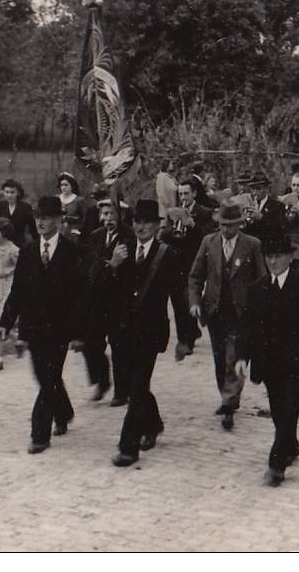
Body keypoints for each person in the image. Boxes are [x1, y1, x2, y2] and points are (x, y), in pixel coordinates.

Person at [0, 197, 96, 454]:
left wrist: (79, 333)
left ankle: (39, 434)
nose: (40, 222)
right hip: (33, 327)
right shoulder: (28, 251)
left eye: (47, 217)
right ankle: (63, 411)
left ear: (59, 220)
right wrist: (6, 322)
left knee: (49, 375)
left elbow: (81, 297)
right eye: (38, 217)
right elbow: (17, 290)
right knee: (44, 376)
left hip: (60, 328)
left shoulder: (73, 251)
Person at [236, 235, 299, 487]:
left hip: (296, 361)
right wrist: (241, 357)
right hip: (267, 363)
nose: (273, 261)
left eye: (278, 256)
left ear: (290, 257)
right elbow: (247, 326)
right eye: (269, 257)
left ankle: (276, 465)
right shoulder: (257, 288)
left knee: (290, 407)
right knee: (279, 410)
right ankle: (289, 445)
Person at [110, 200, 185, 467]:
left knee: (139, 385)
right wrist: (113, 265)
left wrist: (186, 337)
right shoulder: (122, 249)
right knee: (132, 386)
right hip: (122, 330)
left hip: (150, 331)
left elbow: (179, 297)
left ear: (156, 225)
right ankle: (153, 423)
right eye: (136, 222)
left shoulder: (168, 254)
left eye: (146, 222)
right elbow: (105, 287)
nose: (140, 227)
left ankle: (128, 447)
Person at [188, 202, 268, 430]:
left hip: (241, 313)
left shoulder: (252, 244)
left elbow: (262, 279)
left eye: (231, 226)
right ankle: (226, 394)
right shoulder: (208, 242)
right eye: (222, 225)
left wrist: (259, 308)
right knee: (220, 358)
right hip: (214, 311)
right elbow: (195, 276)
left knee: (234, 356)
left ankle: (229, 404)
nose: (226, 230)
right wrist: (194, 302)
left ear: (240, 224)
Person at [85, 198, 136, 405]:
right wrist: (111, 264)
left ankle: (121, 391)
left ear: (121, 216)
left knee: (119, 345)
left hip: (119, 301)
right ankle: (101, 380)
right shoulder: (96, 237)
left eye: (112, 214)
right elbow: (91, 268)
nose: (107, 219)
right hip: (98, 299)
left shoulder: (130, 237)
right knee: (91, 342)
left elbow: (129, 270)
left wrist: (110, 267)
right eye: (104, 215)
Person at [160, 180, 211, 360]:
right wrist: (173, 227)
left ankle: (187, 340)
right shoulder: (174, 212)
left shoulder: (204, 212)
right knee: (176, 300)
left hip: (194, 262)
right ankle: (186, 336)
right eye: (180, 194)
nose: (183, 197)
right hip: (176, 263)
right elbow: (163, 235)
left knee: (187, 298)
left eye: (186, 194)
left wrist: (193, 226)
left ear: (194, 194)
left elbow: (208, 238)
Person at [0, 217, 20, 373]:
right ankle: (16, 340)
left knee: (0, 321)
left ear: (4, 233)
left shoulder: (12, 249)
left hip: (8, 284)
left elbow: (21, 268)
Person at [0, 179, 37, 247]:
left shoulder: (26, 207)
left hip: (19, 244)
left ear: (18, 193)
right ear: (3, 192)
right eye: (7, 192)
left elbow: (33, 229)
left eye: (12, 192)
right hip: (0, 244)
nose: (9, 195)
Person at [242, 171, 287, 245]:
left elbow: (281, 229)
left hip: (271, 249)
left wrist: (262, 218)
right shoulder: (250, 205)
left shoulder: (277, 206)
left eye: (258, 188)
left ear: (266, 189)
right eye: (253, 189)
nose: (255, 192)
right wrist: (247, 221)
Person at [56, 172, 87, 238]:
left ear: (72, 185)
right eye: (61, 185)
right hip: (58, 232)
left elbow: (85, 218)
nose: (63, 187)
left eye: (66, 185)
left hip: (73, 234)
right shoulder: (56, 199)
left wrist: (78, 230)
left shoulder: (79, 200)